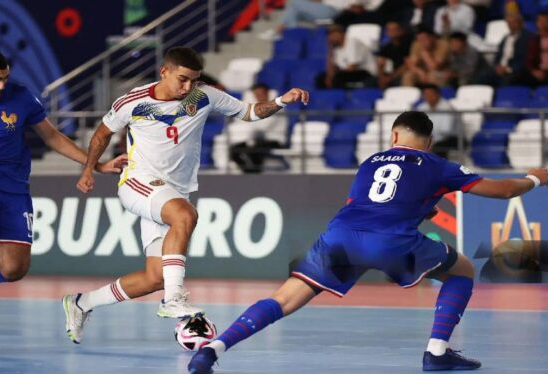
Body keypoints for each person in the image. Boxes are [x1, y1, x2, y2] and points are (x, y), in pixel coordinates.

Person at [187, 111, 548, 373]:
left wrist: (423, 209)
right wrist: (536, 178)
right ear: (430, 141)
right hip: (391, 242)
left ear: (393, 136)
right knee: (463, 270)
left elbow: (365, 203)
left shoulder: (371, 162)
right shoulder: (438, 164)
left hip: (341, 236)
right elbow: (504, 191)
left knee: (284, 298)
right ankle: (436, 352)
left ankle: (212, 350)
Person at [62, 47, 309, 344]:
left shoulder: (202, 96)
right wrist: (90, 169)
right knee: (185, 215)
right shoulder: (133, 101)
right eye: (182, 79)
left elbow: (248, 112)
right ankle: (174, 299)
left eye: (194, 80)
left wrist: (282, 100)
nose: (188, 87)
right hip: (139, 182)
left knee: (154, 277)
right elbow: (102, 133)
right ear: (164, 72)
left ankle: (80, 303)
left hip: (173, 192)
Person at [0, 49, 126, 355]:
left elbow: (53, 137)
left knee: (14, 269)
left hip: (12, 189)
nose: (1, 85)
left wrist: (95, 163)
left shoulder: (21, 99)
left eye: (5, 78)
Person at [228, 83, 288, 173]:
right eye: (256, 94)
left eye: (261, 94)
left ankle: (255, 173)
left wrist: (247, 120)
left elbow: (262, 127)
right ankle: (249, 173)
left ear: (268, 93)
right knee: (235, 150)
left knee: (254, 149)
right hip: (256, 139)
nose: (259, 96)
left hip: (275, 140)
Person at [318, 24, 377, 88]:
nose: (330, 37)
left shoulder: (352, 42)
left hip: (366, 73)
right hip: (348, 74)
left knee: (338, 77)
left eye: (333, 34)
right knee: (321, 79)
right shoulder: (336, 48)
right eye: (329, 35)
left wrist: (333, 76)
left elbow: (353, 67)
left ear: (341, 33)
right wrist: (330, 51)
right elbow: (333, 68)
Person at [416, 84, 457, 158]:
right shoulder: (421, 108)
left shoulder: (447, 107)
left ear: (438, 94)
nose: (429, 97)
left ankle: (440, 169)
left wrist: (430, 141)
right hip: (430, 138)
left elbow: (446, 131)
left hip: (453, 138)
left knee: (438, 147)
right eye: (426, 95)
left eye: (431, 94)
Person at [377, 21, 414, 88]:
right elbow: (381, 63)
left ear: (401, 30)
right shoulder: (387, 47)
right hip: (394, 73)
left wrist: (391, 77)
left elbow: (408, 64)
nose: (392, 32)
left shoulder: (409, 43)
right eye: (389, 30)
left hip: (406, 72)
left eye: (394, 29)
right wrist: (381, 76)